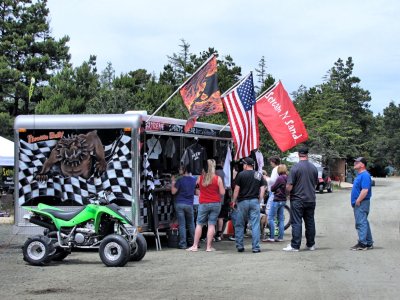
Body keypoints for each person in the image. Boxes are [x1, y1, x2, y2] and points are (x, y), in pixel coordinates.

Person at [283, 146, 318, 252]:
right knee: (310, 222)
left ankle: (295, 245)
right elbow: (315, 183)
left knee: (297, 222)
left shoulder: (295, 168)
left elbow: (289, 185)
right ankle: (310, 244)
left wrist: (286, 194)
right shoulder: (314, 168)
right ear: (307, 154)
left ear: (298, 154)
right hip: (311, 199)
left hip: (298, 199)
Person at [187, 159, 225, 252]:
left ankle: (195, 245)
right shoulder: (217, 178)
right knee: (211, 224)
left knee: (199, 224)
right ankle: (208, 247)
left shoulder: (200, 178)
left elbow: (196, 191)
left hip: (203, 203)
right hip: (216, 203)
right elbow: (222, 192)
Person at [231, 157, 267, 253]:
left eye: (243, 164)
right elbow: (263, 188)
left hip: (243, 202)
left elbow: (236, 190)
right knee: (255, 224)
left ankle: (240, 246)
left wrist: (233, 201)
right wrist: (260, 198)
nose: (243, 166)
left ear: (246, 165)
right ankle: (256, 247)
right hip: (254, 201)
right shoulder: (258, 174)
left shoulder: (241, 175)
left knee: (240, 224)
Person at [350, 157, 374, 250]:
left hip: (361, 202)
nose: (355, 163)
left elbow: (365, 190)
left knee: (361, 223)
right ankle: (368, 242)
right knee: (364, 222)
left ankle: (362, 244)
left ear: (362, 165)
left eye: (357, 162)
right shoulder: (360, 175)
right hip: (361, 202)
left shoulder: (365, 175)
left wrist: (358, 200)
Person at [171, 166, 197, 249]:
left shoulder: (180, 180)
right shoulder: (194, 180)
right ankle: (194, 243)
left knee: (182, 224)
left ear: (184, 170)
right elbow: (197, 192)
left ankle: (183, 244)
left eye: (181, 169)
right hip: (189, 204)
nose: (179, 170)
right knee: (191, 224)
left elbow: (173, 192)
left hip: (179, 203)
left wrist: (172, 182)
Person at [264, 164, 288, 242]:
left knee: (271, 218)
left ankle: (272, 237)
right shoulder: (288, 177)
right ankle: (280, 237)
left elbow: (273, 188)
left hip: (277, 199)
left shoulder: (280, 178)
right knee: (281, 219)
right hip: (284, 200)